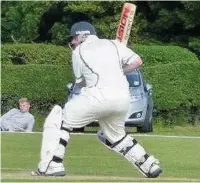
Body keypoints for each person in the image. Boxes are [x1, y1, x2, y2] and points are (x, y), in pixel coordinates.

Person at [31, 21, 162, 178]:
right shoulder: (114, 44)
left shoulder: (78, 52)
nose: (72, 42)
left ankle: (52, 165)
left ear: (81, 36)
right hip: (122, 98)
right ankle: (149, 165)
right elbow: (137, 61)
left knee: (59, 119)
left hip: (98, 96)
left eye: (73, 38)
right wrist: (119, 69)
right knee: (115, 136)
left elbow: (80, 82)